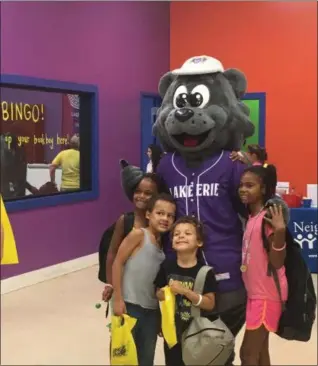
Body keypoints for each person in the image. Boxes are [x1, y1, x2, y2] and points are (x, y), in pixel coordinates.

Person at [112, 193, 176, 366]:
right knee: (123, 357)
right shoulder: (138, 235)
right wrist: (117, 298)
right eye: (160, 213)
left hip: (152, 312)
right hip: (129, 306)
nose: (165, 218)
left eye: (170, 216)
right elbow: (118, 262)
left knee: (146, 359)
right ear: (148, 214)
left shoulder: (165, 248)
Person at [238, 164, 287, 365]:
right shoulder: (251, 217)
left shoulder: (267, 218)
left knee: (247, 354)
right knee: (260, 354)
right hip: (254, 295)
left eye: (250, 185)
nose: (243, 189)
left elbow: (277, 262)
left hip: (266, 296)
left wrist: (280, 232)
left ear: (264, 189)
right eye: (241, 185)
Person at [154, 216, 218, 366]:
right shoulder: (167, 266)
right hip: (173, 333)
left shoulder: (205, 272)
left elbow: (209, 304)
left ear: (199, 242)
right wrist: (162, 294)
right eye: (176, 234)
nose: (181, 236)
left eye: (188, 233)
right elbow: (158, 292)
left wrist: (185, 292)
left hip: (197, 335)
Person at [101, 172, 161, 302]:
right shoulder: (125, 221)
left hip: (149, 292)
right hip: (124, 289)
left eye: (148, 193)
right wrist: (110, 283)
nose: (141, 196)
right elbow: (112, 253)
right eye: (138, 191)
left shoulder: (160, 223)